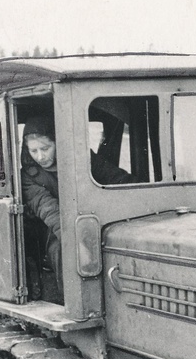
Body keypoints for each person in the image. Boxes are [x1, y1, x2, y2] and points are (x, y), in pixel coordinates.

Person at [19, 116, 132, 303]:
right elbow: (47, 208)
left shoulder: (82, 159)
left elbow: (117, 178)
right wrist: (73, 240)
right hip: (53, 229)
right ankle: (75, 303)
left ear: (57, 142)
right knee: (62, 250)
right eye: (33, 151)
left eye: (45, 148)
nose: (40, 156)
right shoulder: (28, 177)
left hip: (93, 218)